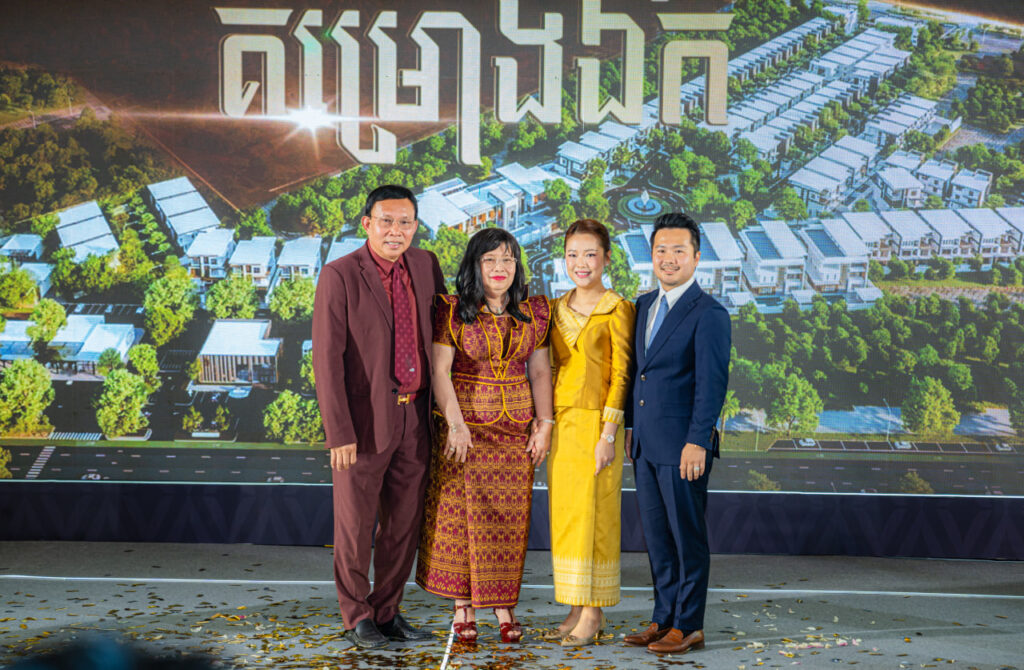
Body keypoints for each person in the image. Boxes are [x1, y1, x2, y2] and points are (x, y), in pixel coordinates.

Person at [312, 184, 446, 649]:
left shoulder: (426, 265)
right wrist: (339, 432)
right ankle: (357, 616)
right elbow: (326, 360)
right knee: (354, 528)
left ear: (415, 226)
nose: (396, 231)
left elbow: (443, 337)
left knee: (403, 527)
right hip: (363, 424)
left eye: (405, 222)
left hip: (417, 419)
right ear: (367, 224)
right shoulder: (339, 274)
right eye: (386, 221)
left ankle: (387, 612)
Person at [416, 228, 553, 644]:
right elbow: (440, 371)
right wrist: (455, 425)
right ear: (475, 265)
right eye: (490, 259)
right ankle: (463, 607)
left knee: (508, 523)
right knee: (461, 519)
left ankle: (504, 606)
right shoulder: (452, 310)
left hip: (516, 433)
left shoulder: (535, 312)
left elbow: (540, 372)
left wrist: (545, 423)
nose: (500, 268)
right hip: (465, 430)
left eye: (508, 259)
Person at [623, 212, 731, 655]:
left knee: (687, 539)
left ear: (697, 256)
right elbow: (639, 374)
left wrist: (697, 440)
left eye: (679, 251)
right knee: (658, 539)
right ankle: (662, 617)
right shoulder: (644, 305)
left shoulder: (710, 313)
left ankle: (688, 625)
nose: (668, 258)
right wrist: (631, 429)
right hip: (646, 445)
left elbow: (712, 385)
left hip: (684, 446)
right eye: (661, 250)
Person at [543, 219, 635, 647]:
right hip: (563, 427)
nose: (581, 263)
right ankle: (575, 604)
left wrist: (608, 434)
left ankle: (593, 612)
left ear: (607, 258)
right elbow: (549, 369)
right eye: (572, 255)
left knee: (596, 517)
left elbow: (622, 374)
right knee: (567, 518)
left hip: (598, 426)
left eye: (590, 254)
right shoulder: (554, 308)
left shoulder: (618, 308)